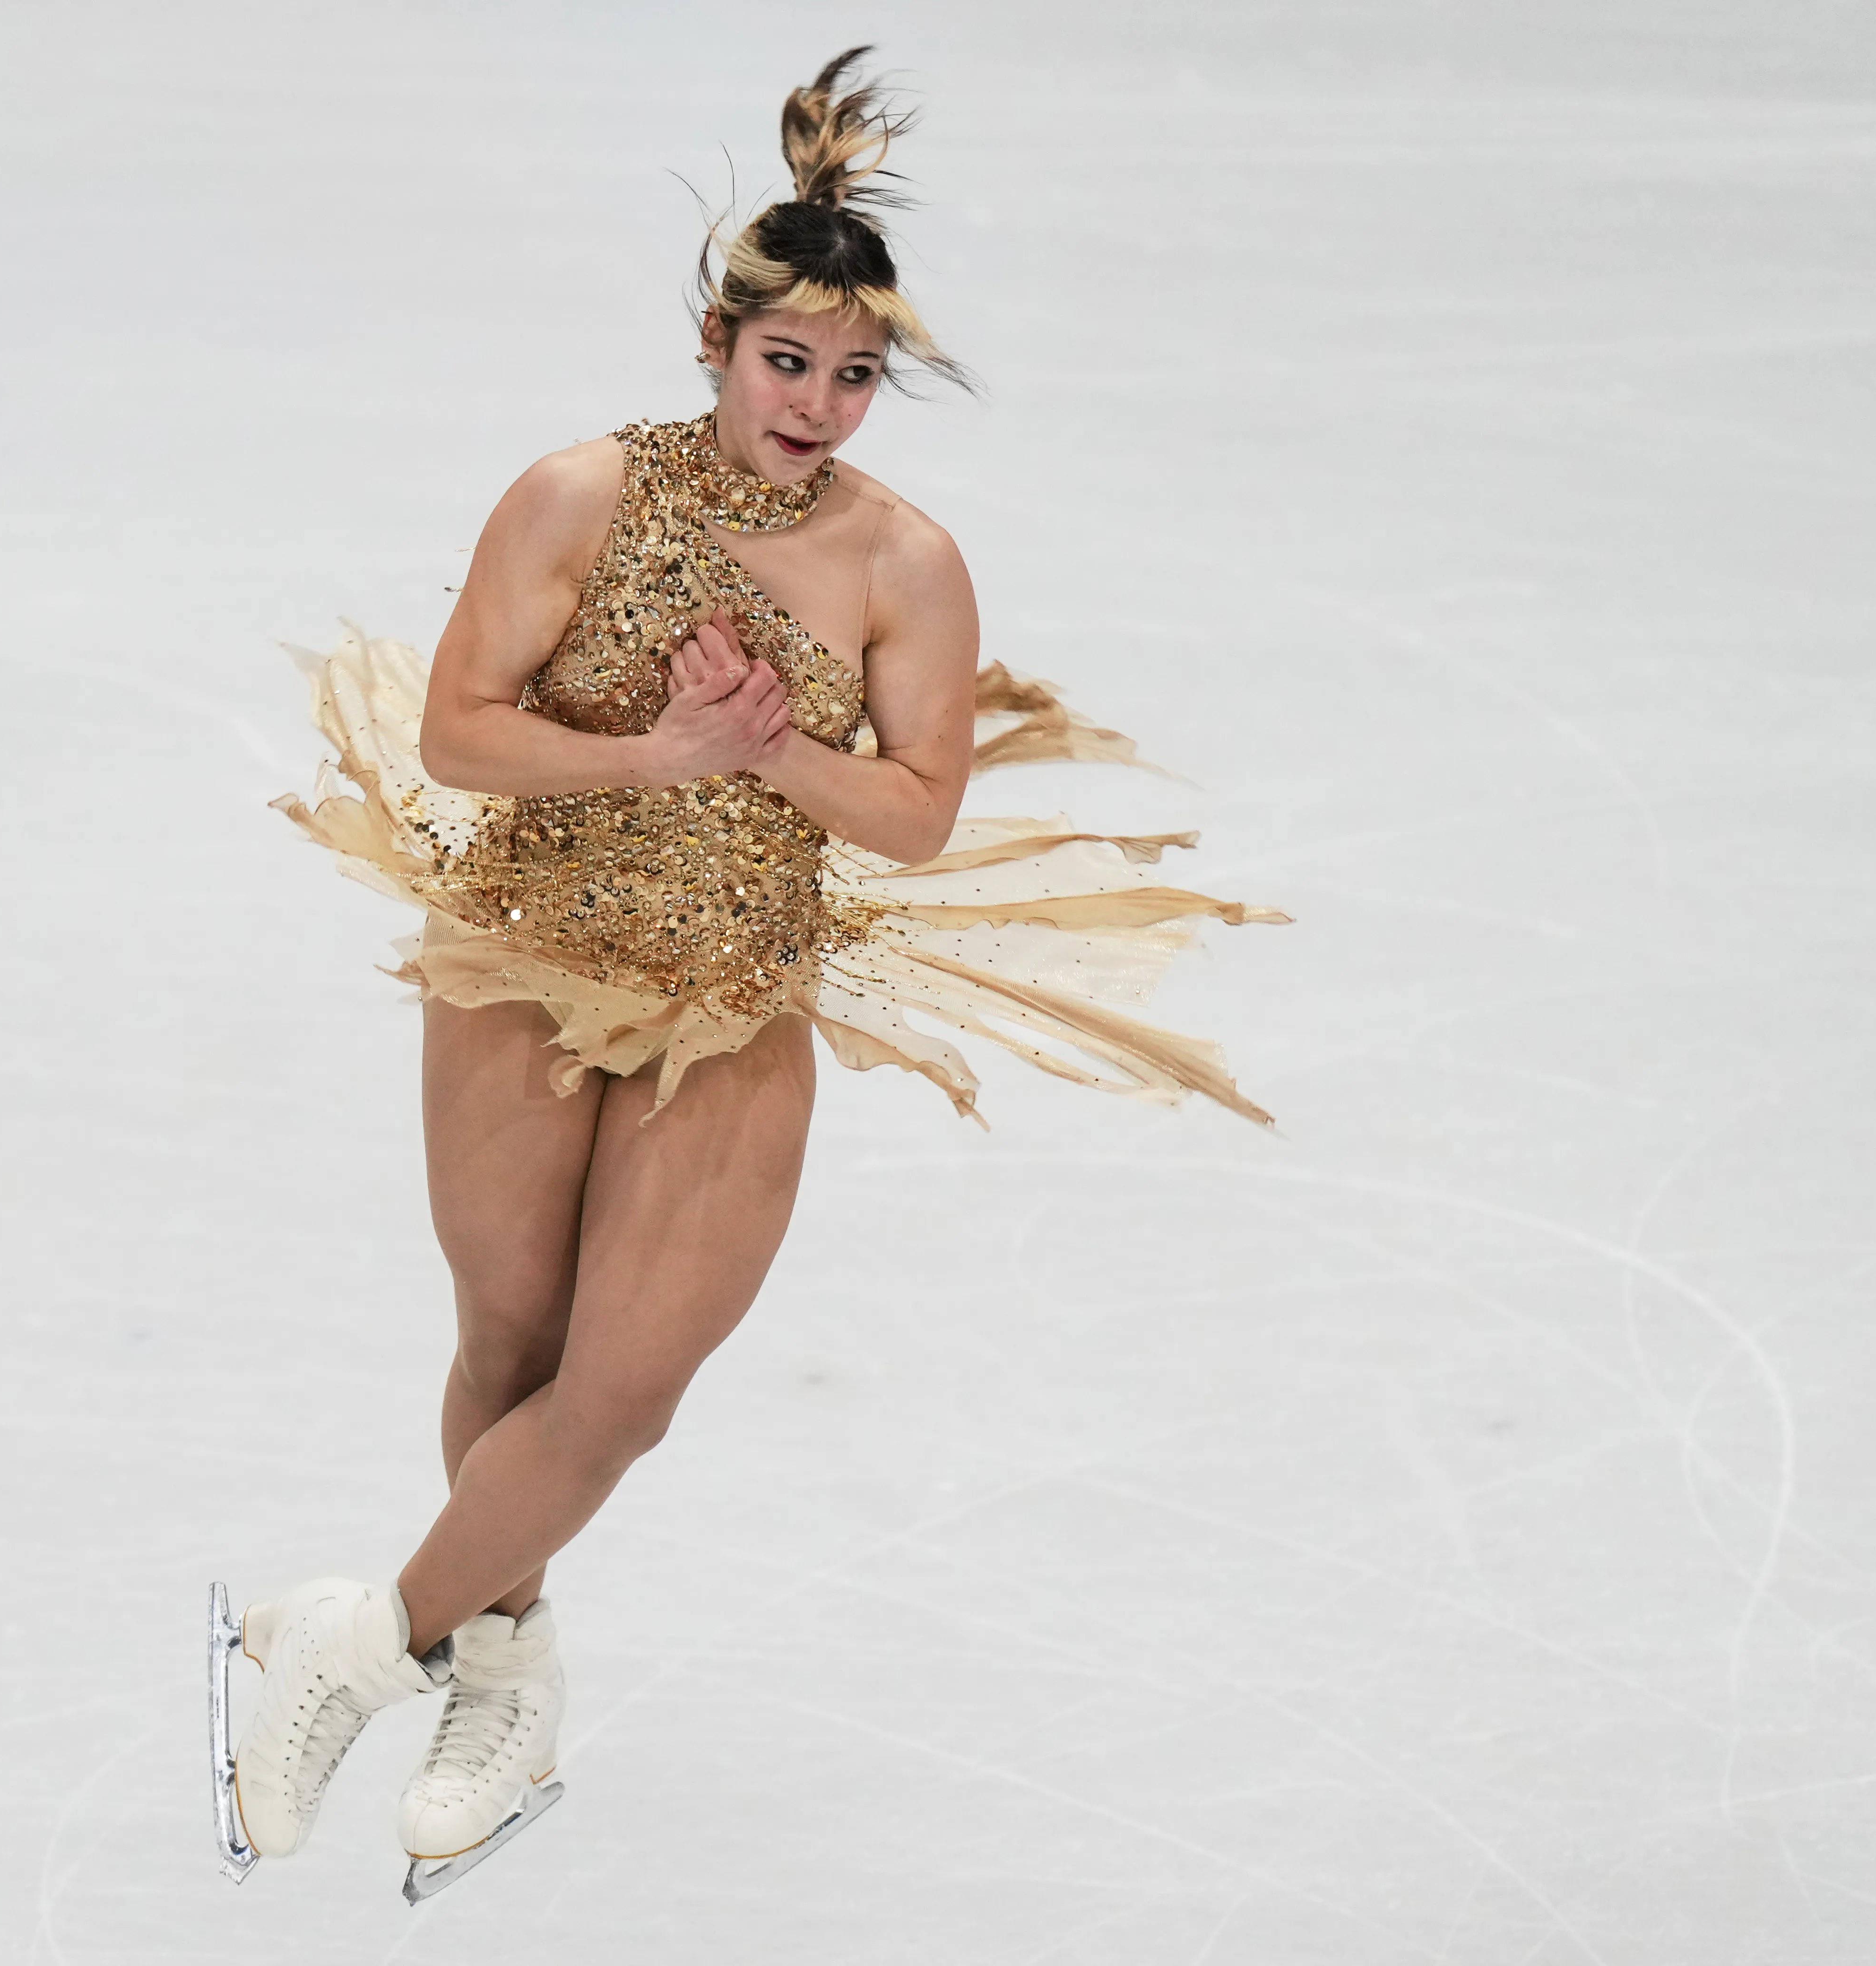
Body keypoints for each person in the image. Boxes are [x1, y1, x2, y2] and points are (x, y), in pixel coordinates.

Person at [230, 47, 1283, 1895]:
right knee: (512, 1346)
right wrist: (652, 752)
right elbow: (465, 735)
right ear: (714, 341)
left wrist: (762, 750)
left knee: (622, 1392)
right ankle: (505, 1669)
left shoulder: (905, 566)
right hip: (525, 953)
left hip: (736, 988)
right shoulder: (572, 495)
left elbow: (913, 816)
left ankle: (365, 1639)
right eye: (784, 361)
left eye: (853, 376)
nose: (813, 406)